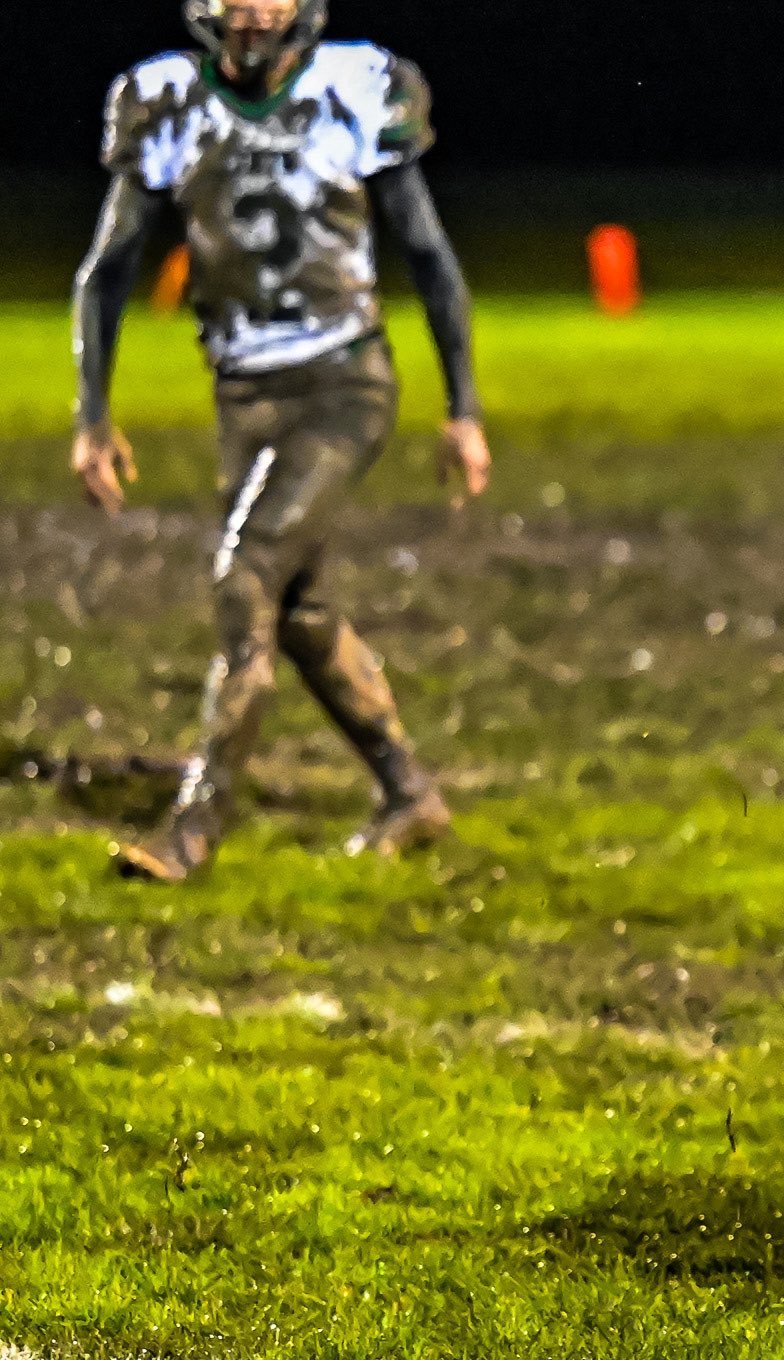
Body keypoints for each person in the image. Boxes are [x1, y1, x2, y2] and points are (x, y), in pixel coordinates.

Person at [71, 0, 492, 881]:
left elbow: (427, 251)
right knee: (297, 613)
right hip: (241, 394)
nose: (253, 12)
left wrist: (463, 407)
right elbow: (108, 268)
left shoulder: (356, 86)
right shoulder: (164, 100)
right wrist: (92, 417)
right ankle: (409, 793)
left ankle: (194, 828)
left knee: (243, 575)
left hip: (344, 385)